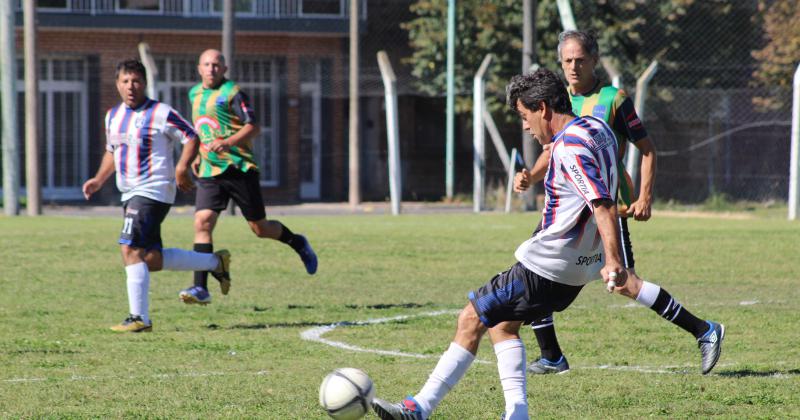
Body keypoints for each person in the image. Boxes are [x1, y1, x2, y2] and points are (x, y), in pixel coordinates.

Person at [372, 69, 632, 420]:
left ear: (542, 108)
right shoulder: (597, 129)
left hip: (548, 264)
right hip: (576, 270)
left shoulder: (569, 146)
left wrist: (615, 261)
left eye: (525, 117)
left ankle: (419, 408)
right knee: (503, 324)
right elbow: (610, 179)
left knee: (470, 318)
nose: (525, 127)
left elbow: (600, 203)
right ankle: (517, 413)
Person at [515, 30, 724, 375]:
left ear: (595, 60)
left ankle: (704, 330)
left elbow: (647, 149)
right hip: (567, 213)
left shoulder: (613, 99)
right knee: (536, 264)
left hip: (604, 210)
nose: (573, 66)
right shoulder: (556, 100)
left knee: (624, 281)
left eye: (580, 59)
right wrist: (530, 176)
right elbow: (552, 151)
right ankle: (551, 354)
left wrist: (644, 195)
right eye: (567, 60)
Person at [83, 59, 231, 333]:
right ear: (117, 84)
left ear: (145, 84)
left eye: (136, 81)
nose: (131, 86)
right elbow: (112, 151)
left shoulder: (160, 112)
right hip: (130, 191)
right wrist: (98, 179)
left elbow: (191, 136)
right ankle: (215, 262)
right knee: (149, 258)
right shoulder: (112, 116)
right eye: (125, 81)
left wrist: (181, 167)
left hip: (153, 189)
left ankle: (139, 318)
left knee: (129, 249)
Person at [178, 49, 318, 305]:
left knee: (260, 228)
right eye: (207, 65)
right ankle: (200, 288)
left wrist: (229, 142)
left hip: (239, 168)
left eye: (216, 65)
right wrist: (197, 155)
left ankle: (298, 242)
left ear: (225, 68)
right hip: (210, 170)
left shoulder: (232, 93)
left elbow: (253, 125)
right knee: (202, 223)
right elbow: (200, 128)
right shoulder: (194, 94)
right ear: (199, 68)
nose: (211, 69)